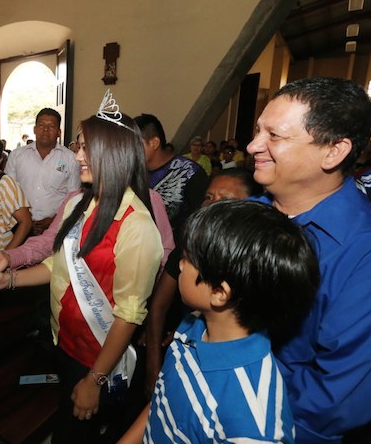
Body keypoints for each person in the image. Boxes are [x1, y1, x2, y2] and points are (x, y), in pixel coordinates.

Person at [0, 97, 163, 443]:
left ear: (114, 153)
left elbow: (129, 315)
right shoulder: (78, 204)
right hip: (65, 342)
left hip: (98, 358)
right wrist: (7, 280)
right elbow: (58, 264)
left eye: (86, 148)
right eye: (78, 146)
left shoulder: (137, 225)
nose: (77, 156)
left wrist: (95, 380)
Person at [247, 77, 371, 443]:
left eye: (275, 136)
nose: (252, 146)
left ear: (333, 152)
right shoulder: (243, 216)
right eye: (257, 131)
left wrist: (232, 407)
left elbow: (331, 407)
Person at [121, 200, 319, 443]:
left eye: (188, 259)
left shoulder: (254, 424)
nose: (180, 265)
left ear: (219, 292)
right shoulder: (194, 324)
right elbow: (162, 402)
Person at [144, 168, 263, 397]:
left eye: (225, 200)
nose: (212, 206)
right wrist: (153, 366)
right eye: (209, 197)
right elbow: (158, 307)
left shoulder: (252, 263)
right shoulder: (189, 245)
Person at [5, 108, 80, 235]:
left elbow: (73, 198)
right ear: (34, 129)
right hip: (18, 225)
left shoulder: (71, 159)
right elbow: (8, 192)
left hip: (54, 227)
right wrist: (24, 219)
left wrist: (53, 220)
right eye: (41, 125)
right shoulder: (17, 155)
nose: (45, 130)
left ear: (59, 132)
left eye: (51, 126)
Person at [134, 113, 209, 241]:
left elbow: (202, 221)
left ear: (154, 143)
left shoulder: (190, 172)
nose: (128, 149)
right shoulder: (132, 172)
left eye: (134, 143)